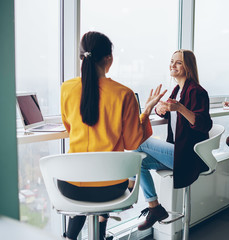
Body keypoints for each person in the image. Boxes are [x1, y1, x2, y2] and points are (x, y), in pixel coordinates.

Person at [60, 31, 166, 240]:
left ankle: (69, 237)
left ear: (83, 57)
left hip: (70, 186)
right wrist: (144, 113)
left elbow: (69, 127)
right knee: (104, 176)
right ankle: (98, 235)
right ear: (108, 58)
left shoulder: (67, 88)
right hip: (109, 189)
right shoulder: (123, 93)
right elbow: (132, 142)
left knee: (87, 182)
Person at [134, 49, 213, 231]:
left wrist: (179, 108)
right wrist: (159, 109)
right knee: (138, 161)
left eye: (178, 62)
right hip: (177, 153)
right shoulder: (177, 90)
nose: (173, 65)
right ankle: (154, 207)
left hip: (189, 157)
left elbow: (203, 124)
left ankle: (129, 184)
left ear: (188, 66)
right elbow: (174, 113)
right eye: (171, 61)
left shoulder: (197, 91)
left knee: (139, 141)